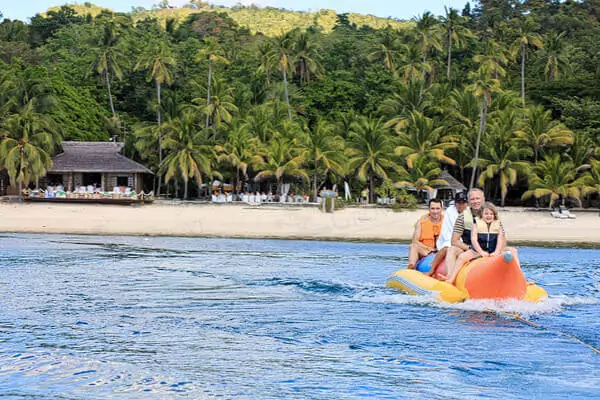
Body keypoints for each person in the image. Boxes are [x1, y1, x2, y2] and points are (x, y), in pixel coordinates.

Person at [440, 188, 485, 282]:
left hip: (489, 249)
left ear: (483, 199)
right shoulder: (462, 217)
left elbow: (501, 237)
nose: (475, 201)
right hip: (471, 249)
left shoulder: (490, 214)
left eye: (478, 198)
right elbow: (454, 240)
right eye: (473, 199)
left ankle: (521, 282)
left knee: (512, 251)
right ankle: (450, 277)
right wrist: (469, 248)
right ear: (469, 201)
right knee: (452, 249)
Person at [429, 191, 469, 274]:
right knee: (446, 248)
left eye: (463, 203)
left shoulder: (470, 212)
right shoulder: (450, 211)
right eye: (459, 203)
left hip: (465, 242)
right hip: (450, 238)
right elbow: (450, 231)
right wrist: (460, 244)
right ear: (455, 203)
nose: (461, 205)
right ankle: (432, 270)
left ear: (467, 203)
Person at [407, 199, 443, 270]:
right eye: (432, 208)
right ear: (429, 209)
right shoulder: (421, 222)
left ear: (441, 209)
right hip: (426, 252)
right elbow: (415, 241)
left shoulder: (447, 221)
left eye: (437, 208)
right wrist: (428, 248)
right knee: (413, 246)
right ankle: (411, 267)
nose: (435, 211)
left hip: (441, 252)